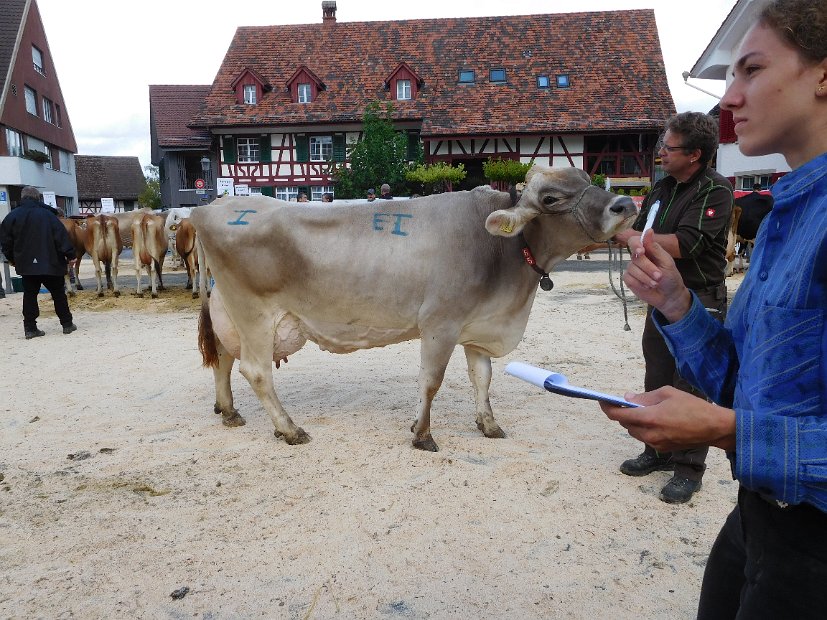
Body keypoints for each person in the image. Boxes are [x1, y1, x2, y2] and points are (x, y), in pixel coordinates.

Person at [601, 1, 827, 615]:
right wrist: (676, 306)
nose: (727, 98)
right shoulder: (792, 207)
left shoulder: (732, 195)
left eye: (750, 69)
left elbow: (743, 413)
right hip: (759, 515)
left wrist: (726, 430)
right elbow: (752, 381)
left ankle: (686, 464)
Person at [612, 111, 734, 504]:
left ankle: (688, 469)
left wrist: (632, 237)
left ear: (695, 154)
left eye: (669, 146)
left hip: (700, 298)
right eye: (661, 145)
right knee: (658, 373)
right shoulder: (662, 188)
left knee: (693, 385)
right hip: (660, 294)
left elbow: (686, 244)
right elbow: (645, 231)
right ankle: (658, 451)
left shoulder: (715, 190)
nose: (660, 152)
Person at [0, 186, 77, 339]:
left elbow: (6, 242)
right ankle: (67, 324)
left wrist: (12, 259)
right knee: (58, 293)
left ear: (23, 198)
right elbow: (61, 237)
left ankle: (30, 328)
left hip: (27, 264)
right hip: (51, 261)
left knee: (29, 295)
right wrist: (70, 255)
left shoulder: (12, 216)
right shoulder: (49, 216)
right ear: (38, 198)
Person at [734, 182, 774, 260]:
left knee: (744, 244)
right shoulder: (767, 200)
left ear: (753, 189)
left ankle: (741, 262)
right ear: (760, 189)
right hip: (757, 229)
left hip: (741, 229)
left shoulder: (739, 200)